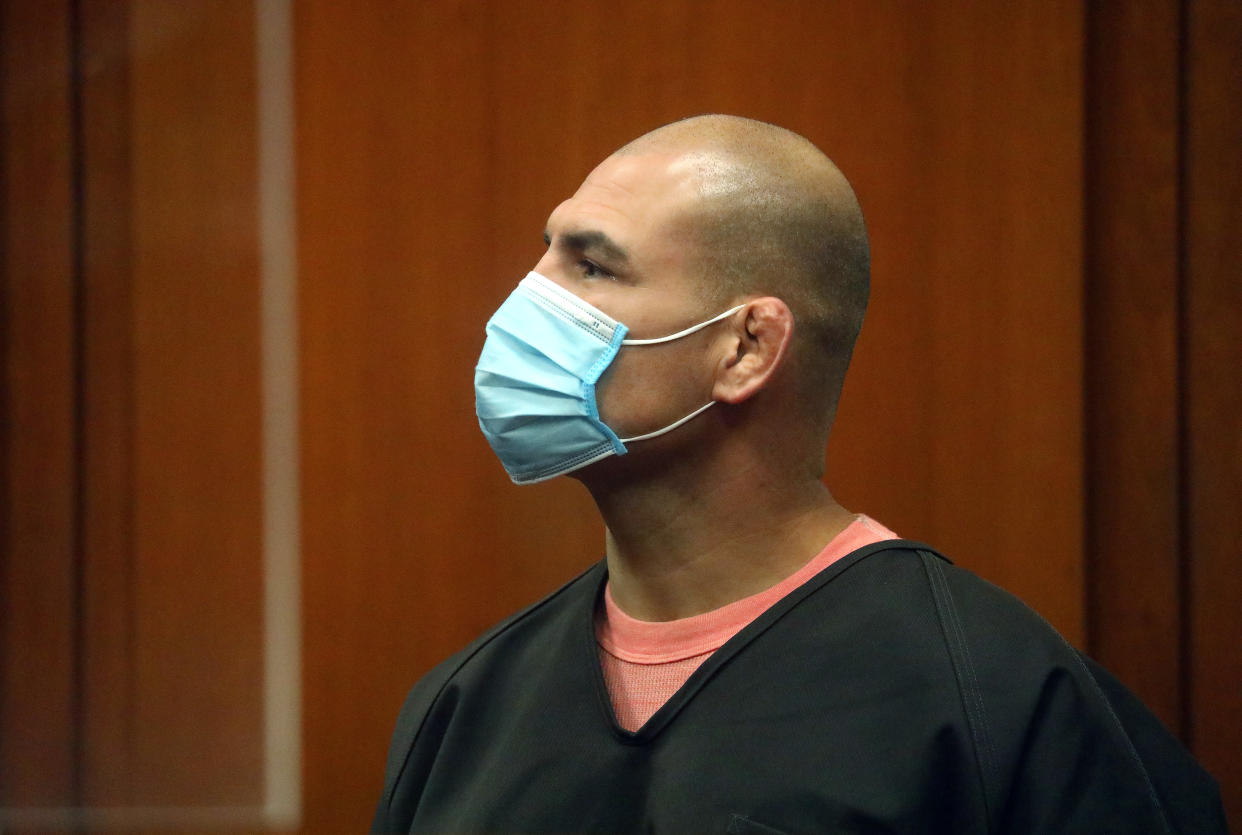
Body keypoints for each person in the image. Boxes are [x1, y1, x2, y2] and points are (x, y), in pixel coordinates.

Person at [372, 115, 1225, 834]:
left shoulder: (995, 702)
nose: (523, 301)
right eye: (546, 255)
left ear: (746, 347)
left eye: (591, 267)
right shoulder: (465, 707)